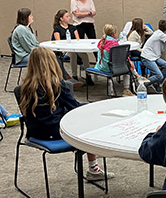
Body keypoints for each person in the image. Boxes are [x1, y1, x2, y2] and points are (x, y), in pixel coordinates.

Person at [18, 47, 115, 181]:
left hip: (35, 132)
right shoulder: (56, 84)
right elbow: (75, 108)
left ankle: (94, 167)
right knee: (90, 124)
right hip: (55, 132)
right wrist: (95, 107)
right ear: (52, 63)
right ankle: (93, 169)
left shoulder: (25, 86)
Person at [11, 8, 71, 82]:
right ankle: (60, 80)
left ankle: (61, 78)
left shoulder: (28, 28)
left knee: (55, 56)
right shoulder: (21, 29)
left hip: (30, 53)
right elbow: (29, 48)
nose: (32, 17)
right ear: (25, 17)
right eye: (30, 16)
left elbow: (35, 43)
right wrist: (43, 51)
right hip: (23, 56)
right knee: (50, 58)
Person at [95, 24, 142, 96]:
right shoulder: (115, 44)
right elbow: (122, 56)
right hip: (112, 68)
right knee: (127, 68)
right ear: (114, 34)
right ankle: (127, 88)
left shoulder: (102, 41)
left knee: (126, 65)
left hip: (102, 66)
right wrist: (129, 62)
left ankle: (136, 76)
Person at [53, 9, 94, 86]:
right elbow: (58, 42)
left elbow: (77, 39)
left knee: (84, 55)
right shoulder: (57, 29)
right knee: (72, 55)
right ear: (61, 19)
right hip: (64, 50)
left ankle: (88, 75)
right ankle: (74, 75)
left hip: (74, 47)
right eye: (67, 16)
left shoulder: (72, 27)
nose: (69, 18)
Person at [141, 20, 166, 93]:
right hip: (147, 57)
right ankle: (141, 84)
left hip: (154, 56)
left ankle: (157, 83)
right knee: (159, 75)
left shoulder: (158, 32)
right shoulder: (161, 35)